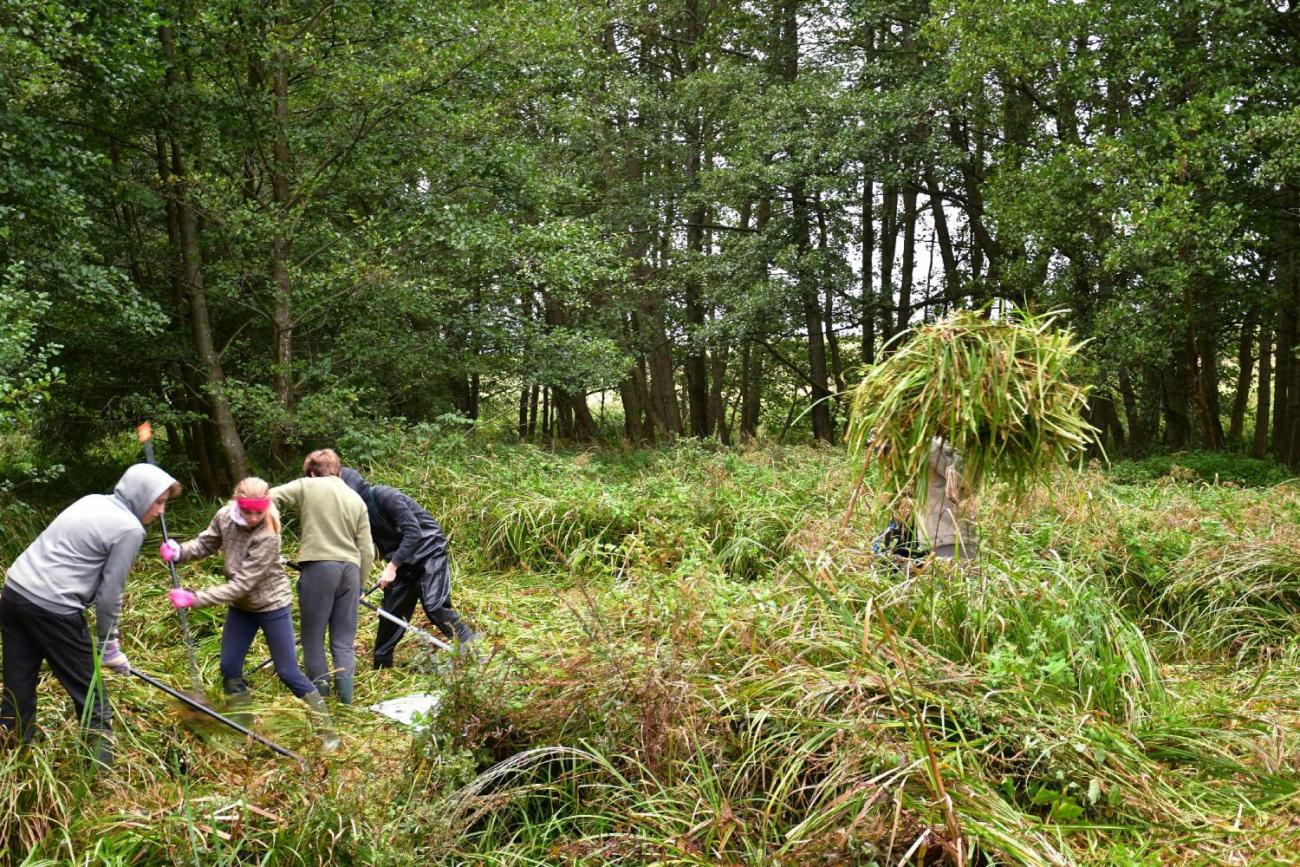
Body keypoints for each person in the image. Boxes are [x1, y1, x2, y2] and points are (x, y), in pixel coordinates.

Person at [0, 463, 180, 768]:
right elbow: (110, 594)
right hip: (54, 608)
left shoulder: (93, 500)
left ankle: (13, 755)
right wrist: (109, 645)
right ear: (139, 496)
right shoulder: (130, 529)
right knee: (92, 695)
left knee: (17, 687)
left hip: (14, 593)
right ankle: (97, 775)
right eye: (158, 502)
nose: (161, 511)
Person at [160, 477, 337, 749]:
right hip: (242, 609)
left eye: (259, 511)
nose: (253, 517)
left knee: (288, 671)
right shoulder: (225, 516)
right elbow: (207, 543)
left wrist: (194, 599)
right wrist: (180, 551)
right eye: (247, 511)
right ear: (237, 503)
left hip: (271, 605)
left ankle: (327, 730)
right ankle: (240, 730)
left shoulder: (268, 533)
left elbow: (241, 585)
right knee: (229, 667)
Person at [340, 467, 478, 668]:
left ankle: (476, 654)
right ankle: (381, 668)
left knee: (435, 606)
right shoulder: (357, 513)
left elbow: (413, 532)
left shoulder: (384, 495)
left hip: (429, 551)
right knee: (390, 615)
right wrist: (358, 588)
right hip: (403, 563)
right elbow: (361, 550)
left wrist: (391, 567)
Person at [270, 449, 372, 705]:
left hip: (319, 568)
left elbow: (268, 497)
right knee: (343, 641)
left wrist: (270, 537)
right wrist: (362, 583)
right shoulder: (356, 498)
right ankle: (346, 704)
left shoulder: (308, 485)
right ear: (337, 469)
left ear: (313, 471)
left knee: (313, 638)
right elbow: (367, 549)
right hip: (350, 572)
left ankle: (321, 701)